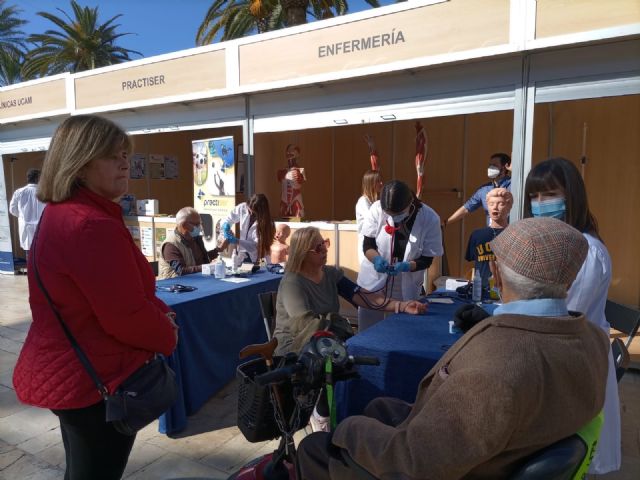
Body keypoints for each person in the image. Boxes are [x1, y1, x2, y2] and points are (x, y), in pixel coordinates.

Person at [296, 217, 609, 480]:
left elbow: (416, 462)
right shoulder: (593, 340)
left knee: (316, 447)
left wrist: (349, 431)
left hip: (458, 466)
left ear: (497, 276)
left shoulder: (494, 374)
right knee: (380, 407)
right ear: (567, 281)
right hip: (513, 445)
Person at [12, 115, 178, 480]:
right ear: (81, 163)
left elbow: (120, 294)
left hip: (77, 372)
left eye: (125, 154)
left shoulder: (64, 215)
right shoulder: (89, 224)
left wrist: (159, 310)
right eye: (112, 155)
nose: (125, 163)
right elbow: (126, 314)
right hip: (96, 380)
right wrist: (168, 335)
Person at [274, 226, 427, 432]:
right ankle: (322, 412)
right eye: (318, 248)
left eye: (324, 243)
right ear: (303, 253)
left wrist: (401, 305)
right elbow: (304, 324)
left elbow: (362, 296)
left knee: (352, 357)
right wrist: (335, 324)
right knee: (343, 358)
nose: (325, 249)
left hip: (325, 339)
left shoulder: (329, 274)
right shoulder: (292, 282)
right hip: (295, 345)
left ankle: (348, 412)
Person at [524, 157, 620, 474]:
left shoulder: (586, 250)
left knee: (569, 458)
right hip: (557, 357)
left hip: (574, 361)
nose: (540, 205)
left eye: (549, 195)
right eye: (534, 197)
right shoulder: (555, 245)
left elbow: (559, 317)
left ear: (571, 197)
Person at [358, 180, 442, 331]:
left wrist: (407, 266)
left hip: (405, 278)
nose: (392, 217)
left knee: (400, 327)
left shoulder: (429, 218)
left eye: (396, 214)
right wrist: (376, 259)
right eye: (389, 214)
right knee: (368, 325)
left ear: (409, 204)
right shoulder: (377, 209)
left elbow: (427, 259)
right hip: (375, 276)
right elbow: (368, 245)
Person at [464, 187, 512, 293]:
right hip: (480, 291)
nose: (495, 207)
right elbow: (471, 264)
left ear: (509, 207)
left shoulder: (515, 236)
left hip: (506, 292)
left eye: (500, 204)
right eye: (491, 204)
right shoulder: (477, 236)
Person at [445, 152, 511, 226]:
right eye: (490, 165)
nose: (490, 168)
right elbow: (466, 208)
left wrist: (514, 170)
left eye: (494, 165)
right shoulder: (484, 189)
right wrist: (446, 222)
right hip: (491, 231)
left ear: (504, 168)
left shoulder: (513, 185)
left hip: (510, 231)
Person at [158, 206, 219, 279]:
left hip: (197, 280)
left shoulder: (195, 238)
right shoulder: (170, 245)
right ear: (184, 225)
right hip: (176, 286)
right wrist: (206, 267)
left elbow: (203, 258)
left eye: (200, 224)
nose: (200, 227)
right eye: (196, 224)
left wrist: (219, 249)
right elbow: (181, 271)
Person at [220, 193, 275, 265]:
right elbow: (228, 218)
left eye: (254, 213)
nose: (251, 214)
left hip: (259, 258)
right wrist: (226, 226)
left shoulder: (268, 224)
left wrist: (237, 241)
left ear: (262, 212)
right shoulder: (243, 207)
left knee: (259, 273)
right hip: (243, 255)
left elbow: (255, 246)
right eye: (249, 211)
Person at [9, 168, 46, 256]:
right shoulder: (44, 192)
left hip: (25, 226)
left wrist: (22, 216)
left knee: (29, 252)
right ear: (37, 178)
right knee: (41, 252)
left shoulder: (19, 192)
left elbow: (12, 209)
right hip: (41, 226)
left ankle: (30, 269)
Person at [355, 169, 383, 265]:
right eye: (378, 181)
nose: (381, 183)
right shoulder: (363, 201)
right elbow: (373, 220)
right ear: (371, 183)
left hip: (375, 245)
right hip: (367, 244)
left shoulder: (375, 201)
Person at [277, 144, 306, 218]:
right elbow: (279, 178)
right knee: (283, 220)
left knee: (298, 219)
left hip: (296, 199)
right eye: (288, 151)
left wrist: (299, 176)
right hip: (284, 200)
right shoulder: (282, 171)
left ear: (297, 153)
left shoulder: (300, 170)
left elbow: (301, 180)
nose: (290, 153)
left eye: (292, 151)